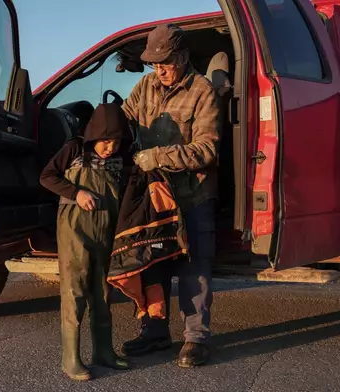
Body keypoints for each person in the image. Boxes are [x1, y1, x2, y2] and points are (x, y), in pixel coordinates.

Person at [120, 23, 221, 368]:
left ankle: (196, 339)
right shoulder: (146, 85)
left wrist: (158, 156)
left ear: (182, 56)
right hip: (156, 196)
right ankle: (155, 331)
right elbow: (124, 119)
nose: (159, 70)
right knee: (152, 263)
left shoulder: (202, 91)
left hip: (191, 194)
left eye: (165, 63)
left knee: (194, 268)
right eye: (153, 63)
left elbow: (207, 149)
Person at [39, 103, 132, 381]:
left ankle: (103, 351)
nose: (110, 147)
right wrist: (77, 192)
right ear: (94, 135)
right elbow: (46, 177)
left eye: (115, 141)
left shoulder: (121, 158)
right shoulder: (75, 149)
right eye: (105, 141)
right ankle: (71, 359)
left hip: (105, 231)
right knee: (75, 291)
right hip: (74, 231)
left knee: (102, 292)